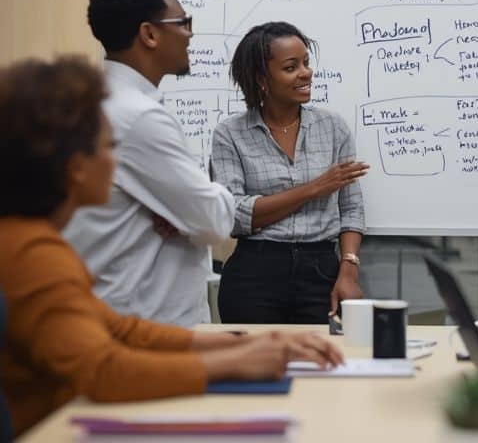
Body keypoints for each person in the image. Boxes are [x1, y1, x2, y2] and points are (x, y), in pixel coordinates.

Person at [0, 58, 344, 437]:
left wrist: (242, 344)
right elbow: (104, 372)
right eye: (108, 146)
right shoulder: (32, 255)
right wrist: (233, 363)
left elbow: (119, 330)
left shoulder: (33, 241)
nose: (116, 161)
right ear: (77, 167)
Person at [64, 0, 235, 326]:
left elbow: (194, 215)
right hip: (145, 326)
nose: (190, 33)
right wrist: (198, 203)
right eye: (183, 22)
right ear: (149, 34)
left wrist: (179, 209)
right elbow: (213, 220)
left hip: (118, 316)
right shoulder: (137, 117)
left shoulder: (95, 101)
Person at [211, 21, 369, 324]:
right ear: (262, 79)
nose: (305, 73)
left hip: (322, 270)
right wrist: (315, 188)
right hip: (254, 275)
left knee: (325, 365)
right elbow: (234, 215)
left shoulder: (333, 127)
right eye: (291, 67)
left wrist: (348, 271)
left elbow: (351, 208)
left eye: (306, 63)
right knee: (256, 369)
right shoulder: (230, 133)